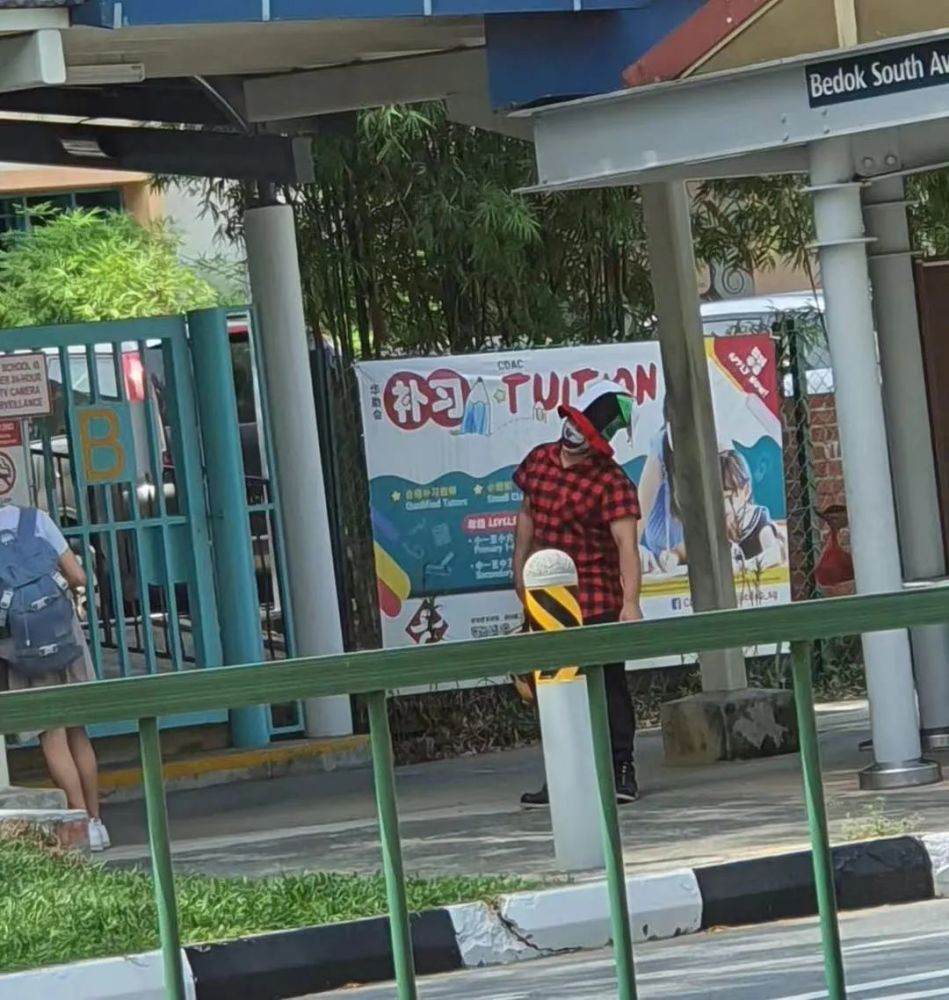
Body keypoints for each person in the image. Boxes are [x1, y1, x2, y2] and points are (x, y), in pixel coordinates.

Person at [513, 380, 643, 807]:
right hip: (547, 598)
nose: (574, 439)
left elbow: (626, 544)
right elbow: (527, 516)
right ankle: (563, 775)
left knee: (608, 686)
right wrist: (519, 570)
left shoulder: (612, 482)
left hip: (596, 596)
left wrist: (630, 602)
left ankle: (621, 768)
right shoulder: (539, 461)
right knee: (552, 688)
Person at [0, 504, 110, 851]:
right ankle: (97, 823)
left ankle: (79, 824)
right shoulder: (36, 519)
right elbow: (78, 577)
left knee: (52, 737)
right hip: (65, 636)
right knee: (78, 731)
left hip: (23, 648)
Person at [719, 449, 786, 569]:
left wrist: (742, 567)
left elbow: (775, 554)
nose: (724, 505)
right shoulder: (715, 523)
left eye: (729, 497)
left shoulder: (758, 518)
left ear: (746, 490)